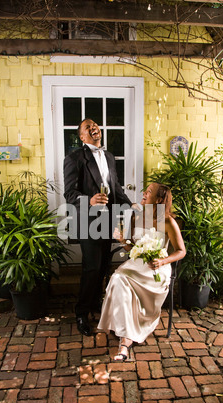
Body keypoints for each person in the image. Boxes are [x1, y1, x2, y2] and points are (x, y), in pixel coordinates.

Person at [97, 183, 186, 361]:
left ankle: (125, 337)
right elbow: (132, 249)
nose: (143, 193)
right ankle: (126, 337)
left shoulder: (168, 221)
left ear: (159, 200)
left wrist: (163, 260)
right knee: (118, 278)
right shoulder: (136, 217)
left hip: (156, 268)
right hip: (135, 264)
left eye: (149, 192)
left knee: (120, 279)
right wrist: (123, 240)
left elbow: (181, 251)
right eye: (145, 190)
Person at [63, 118, 133, 336]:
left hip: (108, 219)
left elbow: (116, 188)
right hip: (88, 220)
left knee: (103, 265)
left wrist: (132, 207)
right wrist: (90, 200)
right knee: (91, 267)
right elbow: (69, 193)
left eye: (95, 125)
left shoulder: (109, 156)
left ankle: (95, 303)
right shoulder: (75, 157)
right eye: (87, 127)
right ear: (82, 136)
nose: (93, 128)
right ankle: (81, 312)